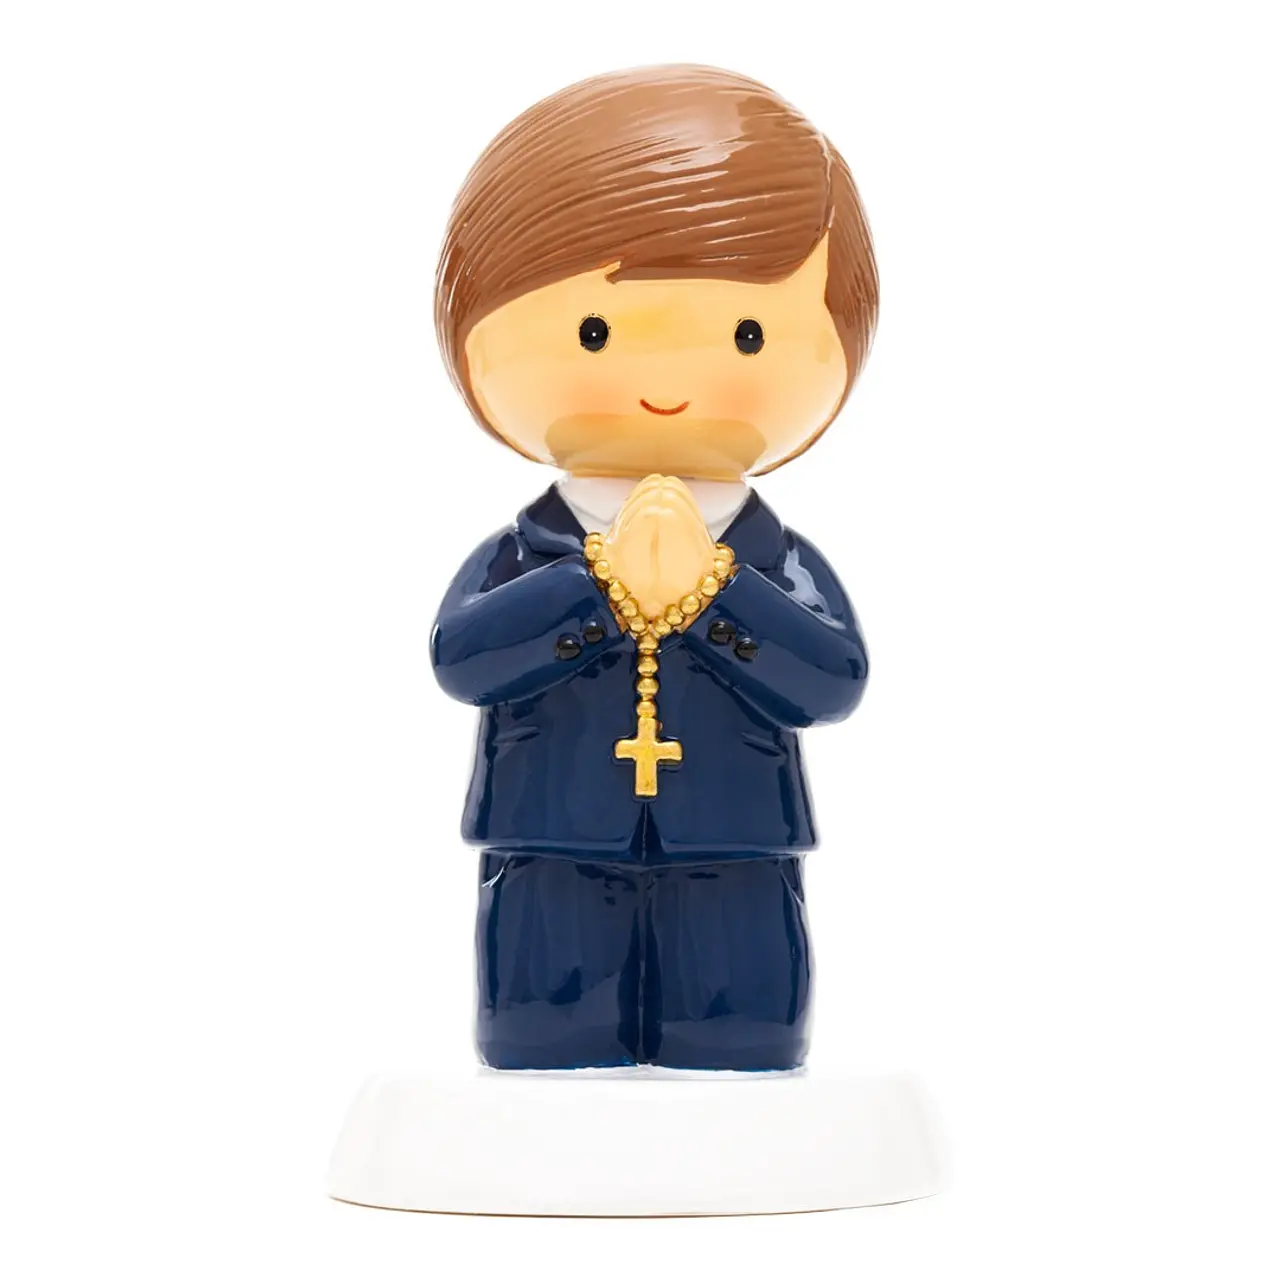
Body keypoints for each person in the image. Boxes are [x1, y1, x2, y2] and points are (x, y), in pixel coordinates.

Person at [431, 65, 877, 1070]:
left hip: (737, 844)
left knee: (741, 1037)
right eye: (592, 332)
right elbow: (460, 656)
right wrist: (597, 584)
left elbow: (834, 678)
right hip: (548, 839)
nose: (668, 381)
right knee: (543, 1037)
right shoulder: (524, 553)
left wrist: (711, 593)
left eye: (747, 335)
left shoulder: (772, 560)